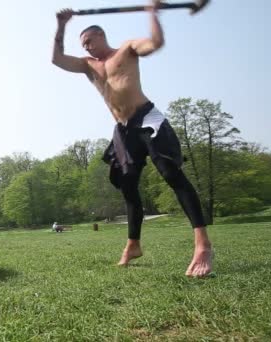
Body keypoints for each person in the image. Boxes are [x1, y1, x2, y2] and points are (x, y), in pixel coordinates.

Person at [51, 0, 213, 277]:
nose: (87, 47)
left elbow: (155, 43)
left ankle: (202, 244)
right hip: (123, 130)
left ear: (102, 36)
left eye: (89, 40)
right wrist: (61, 26)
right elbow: (56, 59)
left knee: (171, 173)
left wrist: (153, 14)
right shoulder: (88, 66)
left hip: (147, 119)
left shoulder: (126, 49)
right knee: (128, 187)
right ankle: (133, 244)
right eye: (83, 44)